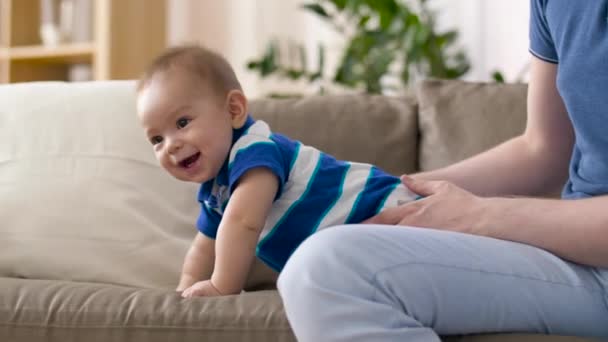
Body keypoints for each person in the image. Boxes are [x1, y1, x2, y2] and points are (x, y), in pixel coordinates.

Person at [277, 0, 608, 340]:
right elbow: (542, 149)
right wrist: (388, 194)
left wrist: (483, 216)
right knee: (329, 267)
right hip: (579, 257)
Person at [135, 45, 419, 297]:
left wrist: (222, 285)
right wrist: (184, 291)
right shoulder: (215, 192)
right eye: (157, 139)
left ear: (234, 110)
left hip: (386, 210)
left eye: (182, 122)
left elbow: (243, 222)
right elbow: (204, 246)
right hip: (356, 250)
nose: (170, 145)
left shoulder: (255, 151)